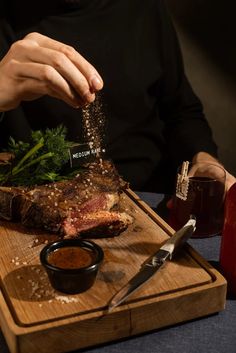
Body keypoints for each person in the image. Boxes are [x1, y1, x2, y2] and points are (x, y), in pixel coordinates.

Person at [0, 0, 235, 193]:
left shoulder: (145, 8)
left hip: (151, 198)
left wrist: (203, 158)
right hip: (41, 197)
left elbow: (181, 111)